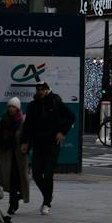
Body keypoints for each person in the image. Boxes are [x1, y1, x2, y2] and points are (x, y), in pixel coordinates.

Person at [21, 80, 72, 214]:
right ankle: (47, 195)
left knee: (48, 174)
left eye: (43, 89)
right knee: (37, 174)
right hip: (38, 143)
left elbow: (71, 116)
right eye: (38, 90)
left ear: (47, 89)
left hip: (52, 144)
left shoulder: (55, 102)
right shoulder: (32, 106)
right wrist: (24, 142)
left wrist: (62, 132)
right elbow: (27, 126)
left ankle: (46, 202)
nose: (40, 92)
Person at [0, 97, 29, 213]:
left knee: (17, 178)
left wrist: (26, 145)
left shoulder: (22, 121)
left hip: (18, 155)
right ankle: (13, 201)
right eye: (10, 106)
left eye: (14, 107)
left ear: (18, 108)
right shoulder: (3, 120)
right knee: (9, 178)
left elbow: (27, 136)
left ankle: (15, 200)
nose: (11, 109)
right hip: (6, 153)